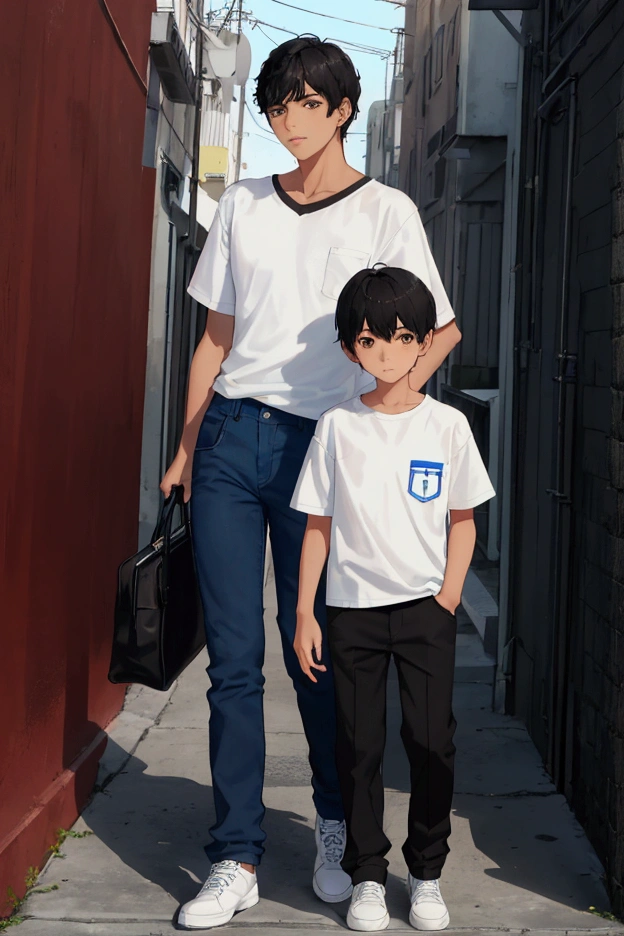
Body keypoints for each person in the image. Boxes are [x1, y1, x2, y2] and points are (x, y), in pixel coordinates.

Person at [160, 35, 461, 930]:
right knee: (234, 661)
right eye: (275, 105)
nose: (288, 120)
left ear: (341, 111)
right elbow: (216, 338)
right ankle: (237, 854)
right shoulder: (245, 208)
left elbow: (437, 325)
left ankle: (336, 826)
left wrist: (382, 404)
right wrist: (183, 445)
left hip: (325, 452)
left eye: (304, 103)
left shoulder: (388, 212)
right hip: (230, 442)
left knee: (323, 654)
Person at [291, 266, 495, 932]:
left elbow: (463, 519)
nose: (386, 351)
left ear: (424, 340)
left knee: (432, 742)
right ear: (353, 347)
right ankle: (368, 877)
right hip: (351, 612)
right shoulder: (338, 428)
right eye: (371, 339)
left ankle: (427, 874)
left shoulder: (447, 427)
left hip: (424, 612)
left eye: (402, 336)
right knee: (359, 748)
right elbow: (317, 525)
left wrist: (449, 597)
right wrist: (304, 613)